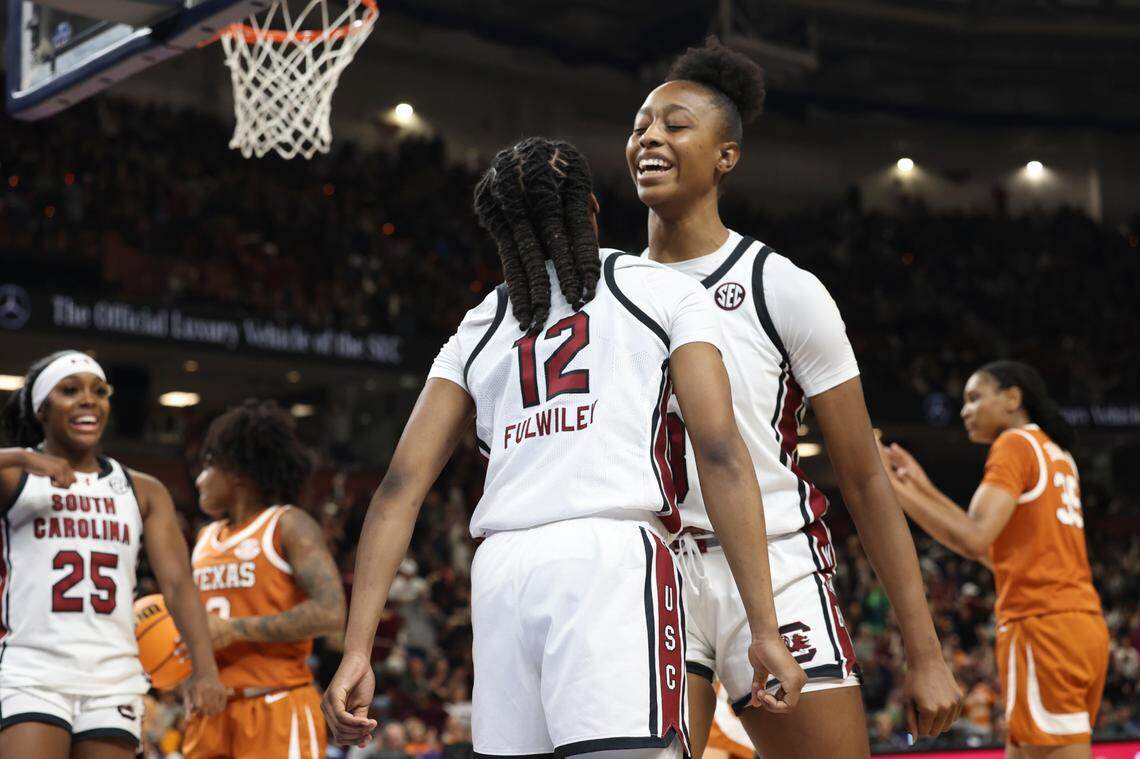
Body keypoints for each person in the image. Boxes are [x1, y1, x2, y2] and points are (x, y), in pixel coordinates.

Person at [322, 136, 807, 759]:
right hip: (608, 558)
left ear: (501, 231)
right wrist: (763, 627)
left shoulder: (480, 323)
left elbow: (396, 491)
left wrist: (357, 650)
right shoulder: (659, 289)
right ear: (592, 210)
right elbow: (719, 454)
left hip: (500, 573)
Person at [626, 37, 963, 758]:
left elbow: (865, 475)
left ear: (726, 156)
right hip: (655, 567)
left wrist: (925, 650)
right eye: (640, 126)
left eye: (675, 123)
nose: (650, 136)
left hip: (775, 561)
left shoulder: (782, 287)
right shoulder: (607, 291)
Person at [0, 350, 225, 759]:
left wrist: (205, 669)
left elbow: (176, 584)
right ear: (42, 409)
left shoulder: (143, 489)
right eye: (70, 391)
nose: (88, 399)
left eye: (98, 391)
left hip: (113, 675)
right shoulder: (16, 477)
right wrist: (21, 455)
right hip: (32, 671)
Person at [880, 361, 1108, 759]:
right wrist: (920, 487)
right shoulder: (1055, 452)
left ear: (1012, 397)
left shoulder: (1015, 444)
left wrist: (884, 488)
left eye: (974, 398)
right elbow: (995, 553)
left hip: (1043, 628)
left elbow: (972, 537)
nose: (965, 410)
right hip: (1078, 626)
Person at [182, 399, 346, 759]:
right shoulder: (204, 539)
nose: (199, 479)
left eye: (208, 465)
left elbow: (332, 611)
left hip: (274, 705)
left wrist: (238, 629)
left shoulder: (288, 524)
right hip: (210, 710)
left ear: (237, 471)